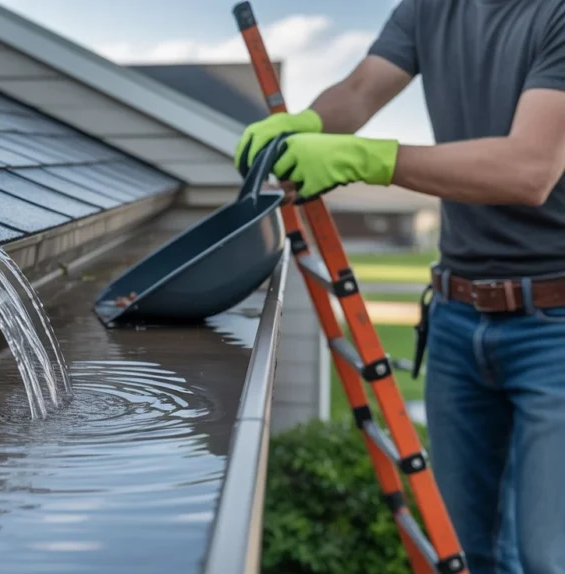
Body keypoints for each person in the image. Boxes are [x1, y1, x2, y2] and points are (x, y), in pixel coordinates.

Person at [234, 1, 565, 573]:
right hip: (458, 317)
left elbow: (529, 169)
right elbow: (362, 89)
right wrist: (308, 126)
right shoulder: (431, 6)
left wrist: (366, 158)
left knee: (546, 555)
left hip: (555, 331)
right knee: (464, 551)